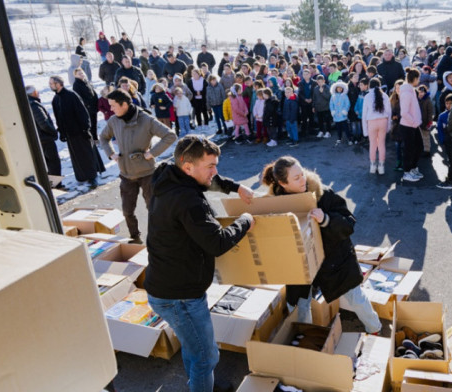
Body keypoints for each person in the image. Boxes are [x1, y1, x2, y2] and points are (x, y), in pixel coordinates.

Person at [145, 135, 254, 392]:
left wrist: (234, 187)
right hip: (180, 296)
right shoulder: (188, 200)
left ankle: (200, 384)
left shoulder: (168, 177)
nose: (215, 172)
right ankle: (202, 384)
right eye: (210, 166)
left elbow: (208, 180)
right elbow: (216, 243)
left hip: (168, 288)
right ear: (188, 167)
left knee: (194, 350)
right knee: (207, 357)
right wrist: (246, 220)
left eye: (216, 165)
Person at [261, 156, 381, 334]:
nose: (303, 180)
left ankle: (375, 328)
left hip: (335, 260)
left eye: (302, 174)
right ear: (282, 183)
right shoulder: (275, 205)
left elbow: (349, 222)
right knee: (301, 306)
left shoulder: (323, 194)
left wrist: (326, 219)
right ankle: (308, 340)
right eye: (296, 178)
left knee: (355, 297)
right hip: (299, 266)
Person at [99, 89, 177, 243]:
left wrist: (152, 153)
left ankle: (158, 238)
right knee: (127, 212)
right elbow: (103, 137)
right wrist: (111, 154)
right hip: (126, 175)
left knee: (153, 210)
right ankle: (135, 237)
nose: (111, 109)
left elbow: (170, 135)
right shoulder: (114, 120)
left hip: (147, 174)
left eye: (113, 106)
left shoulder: (146, 119)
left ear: (125, 104)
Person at [49, 75, 100, 188]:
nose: (50, 85)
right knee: (76, 157)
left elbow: (82, 112)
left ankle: (92, 177)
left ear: (59, 84)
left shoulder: (71, 95)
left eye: (52, 83)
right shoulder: (55, 99)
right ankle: (82, 176)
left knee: (87, 154)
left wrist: (86, 128)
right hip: (69, 134)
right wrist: (62, 132)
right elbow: (58, 118)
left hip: (80, 131)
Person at [26, 85, 62, 187]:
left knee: (47, 164)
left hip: (40, 139)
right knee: (53, 163)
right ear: (33, 93)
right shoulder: (34, 106)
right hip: (45, 139)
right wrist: (53, 132)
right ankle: (56, 186)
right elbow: (44, 123)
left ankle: (52, 185)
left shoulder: (27, 104)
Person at [362, 78, 392, 175]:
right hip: (383, 121)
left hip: (371, 122)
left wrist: (364, 130)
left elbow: (364, 114)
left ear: (369, 85)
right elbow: (389, 112)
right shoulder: (385, 96)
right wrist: (389, 126)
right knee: (381, 144)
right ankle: (381, 166)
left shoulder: (367, 96)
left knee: (373, 144)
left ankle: (373, 165)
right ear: (380, 85)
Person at [399, 68, 424, 182]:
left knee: (418, 147)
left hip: (413, 125)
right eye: (418, 78)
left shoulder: (411, 90)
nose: (419, 81)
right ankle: (407, 172)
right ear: (414, 79)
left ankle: (412, 168)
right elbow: (404, 112)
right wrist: (414, 123)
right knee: (409, 149)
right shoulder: (407, 92)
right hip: (408, 126)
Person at [329, 81, 351, 145]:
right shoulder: (333, 96)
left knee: (346, 127)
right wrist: (332, 111)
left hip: (343, 115)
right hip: (336, 115)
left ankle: (349, 138)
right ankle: (339, 138)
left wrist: (345, 110)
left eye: (341, 88)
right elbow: (331, 104)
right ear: (335, 88)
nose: (339, 89)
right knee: (338, 128)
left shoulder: (345, 96)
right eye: (338, 88)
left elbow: (347, 104)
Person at [437, 94, 452, 160]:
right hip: (447, 140)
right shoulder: (442, 116)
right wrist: (442, 140)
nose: (448, 105)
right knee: (450, 156)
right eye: (447, 103)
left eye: (451, 103)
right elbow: (440, 129)